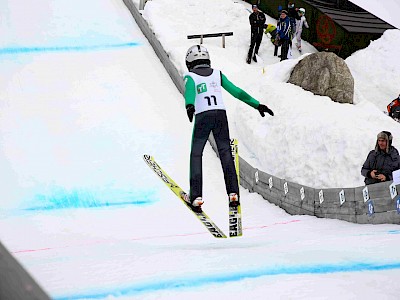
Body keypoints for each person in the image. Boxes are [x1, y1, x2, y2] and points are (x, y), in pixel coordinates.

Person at [184, 45, 274, 211]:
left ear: (189, 62)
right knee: (225, 153)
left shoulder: (190, 76)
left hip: (203, 115)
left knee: (196, 154)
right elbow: (236, 92)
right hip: (220, 115)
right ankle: (233, 193)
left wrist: (189, 105)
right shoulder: (217, 74)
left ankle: (196, 196)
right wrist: (257, 105)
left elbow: (189, 91)